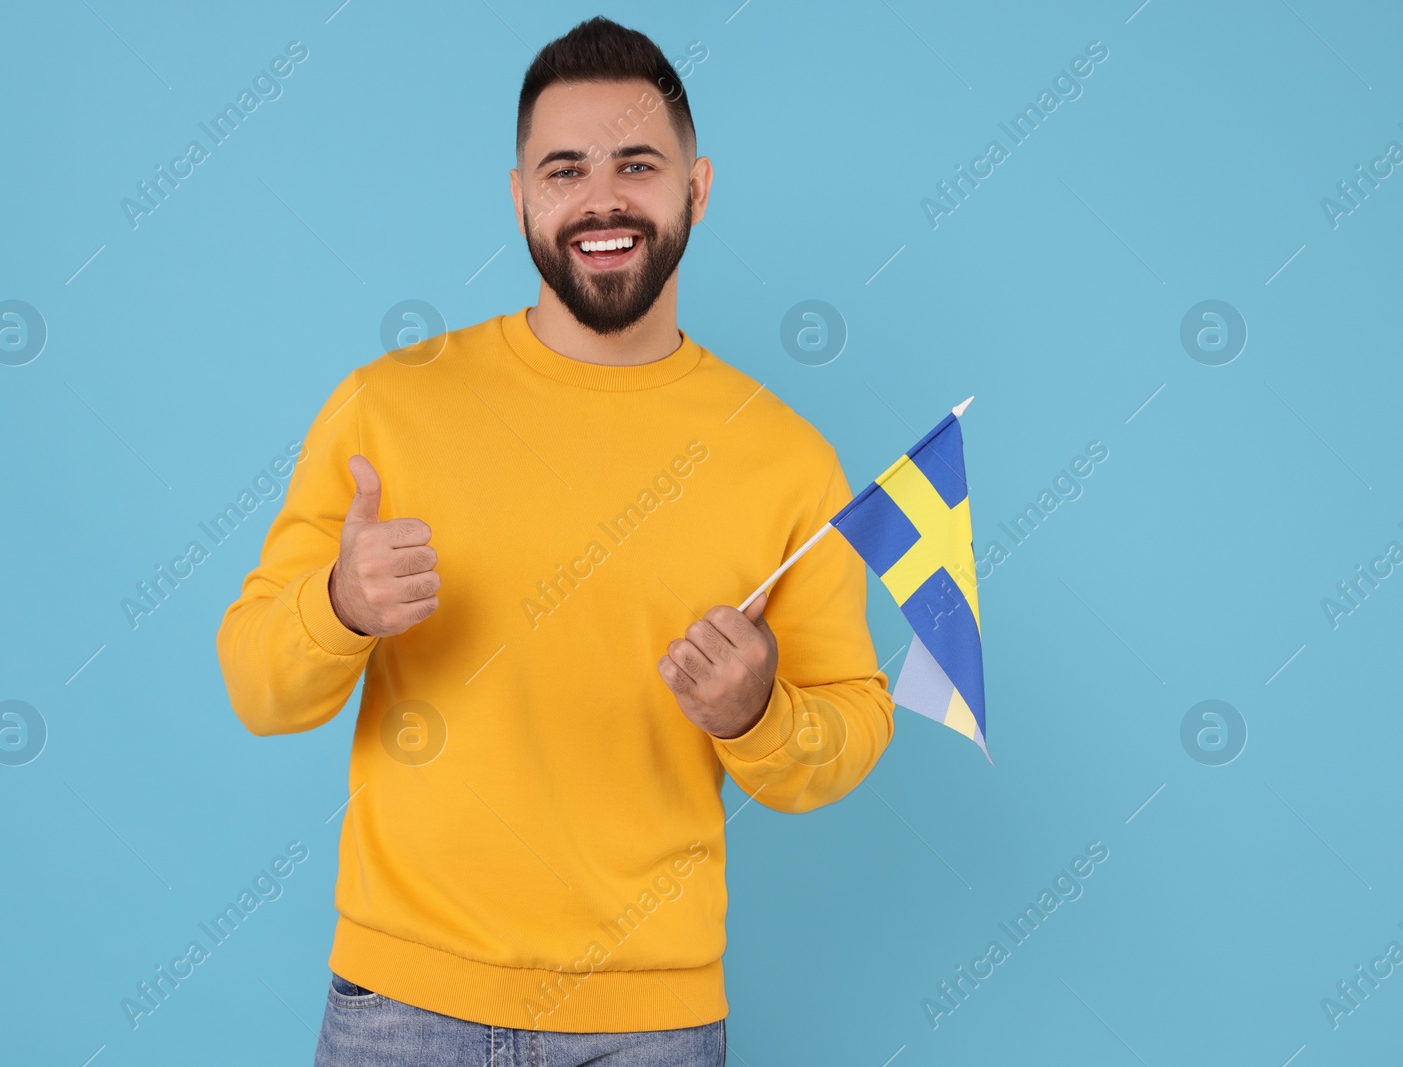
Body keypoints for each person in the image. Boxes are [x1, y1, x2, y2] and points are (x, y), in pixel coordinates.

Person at [215, 15, 896, 1066]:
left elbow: (850, 726)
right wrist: (339, 606)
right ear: (521, 195)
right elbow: (259, 688)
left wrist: (758, 710)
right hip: (400, 1004)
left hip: (651, 1025)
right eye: (564, 169)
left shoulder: (785, 458)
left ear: (697, 188)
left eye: (637, 163)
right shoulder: (385, 410)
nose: (601, 199)